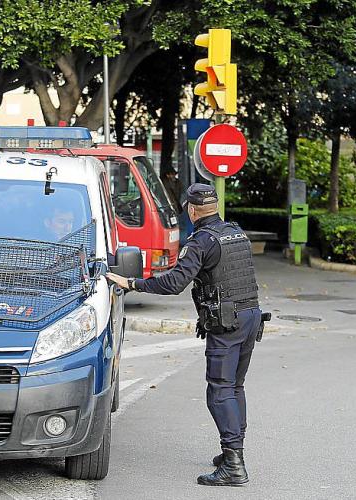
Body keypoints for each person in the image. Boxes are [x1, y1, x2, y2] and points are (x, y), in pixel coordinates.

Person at [106, 183, 265, 487]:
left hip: (226, 324)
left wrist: (133, 283)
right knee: (235, 386)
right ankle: (232, 452)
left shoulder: (201, 242)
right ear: (214, 206)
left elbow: (174, 283)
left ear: (192, 210)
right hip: (250, 318)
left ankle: (234, 464)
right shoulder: (236, 233)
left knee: (219, 390)